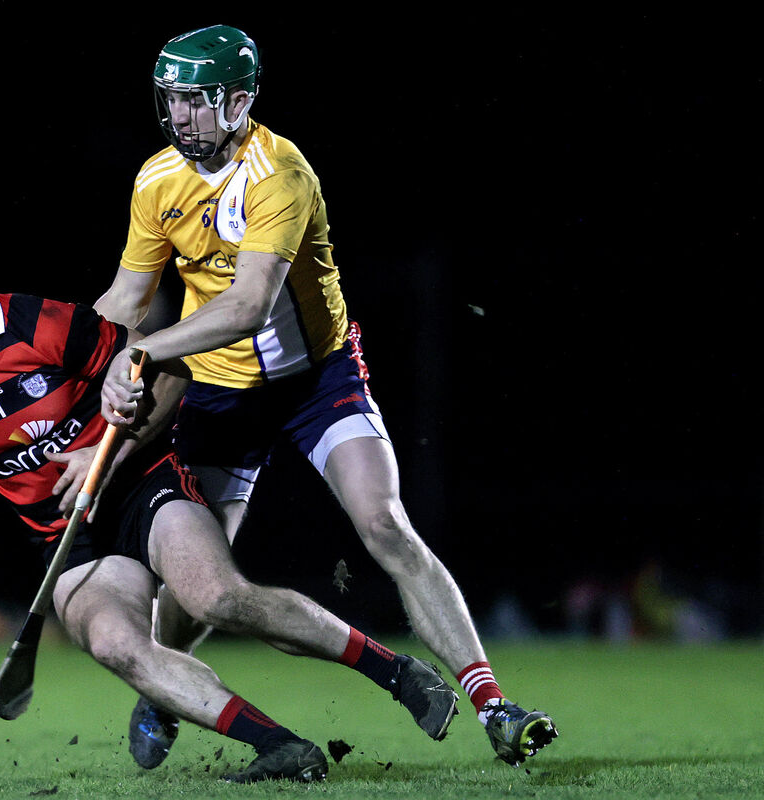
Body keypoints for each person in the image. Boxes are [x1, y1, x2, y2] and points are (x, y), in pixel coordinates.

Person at [0, 219, 460, 783]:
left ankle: (398, 673)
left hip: (141, 482)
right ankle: (279, 746)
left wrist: (101, 460)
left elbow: (166, 370)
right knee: (116, 644)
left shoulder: (44, 325)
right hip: (67, 535)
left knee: (216, 596)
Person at [94, 25, 558, 768]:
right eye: (170, 100)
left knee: (385, 525)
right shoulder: (156, 179)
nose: (178, 116)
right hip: (218, 394)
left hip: (318, 379)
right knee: (199, 575)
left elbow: (248, 305)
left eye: (194, 101)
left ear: (239, 99)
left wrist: (145, 352)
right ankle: (166, 688)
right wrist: (76, 372)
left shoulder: (281, 173)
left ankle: (493, 705)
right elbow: (124, 298)